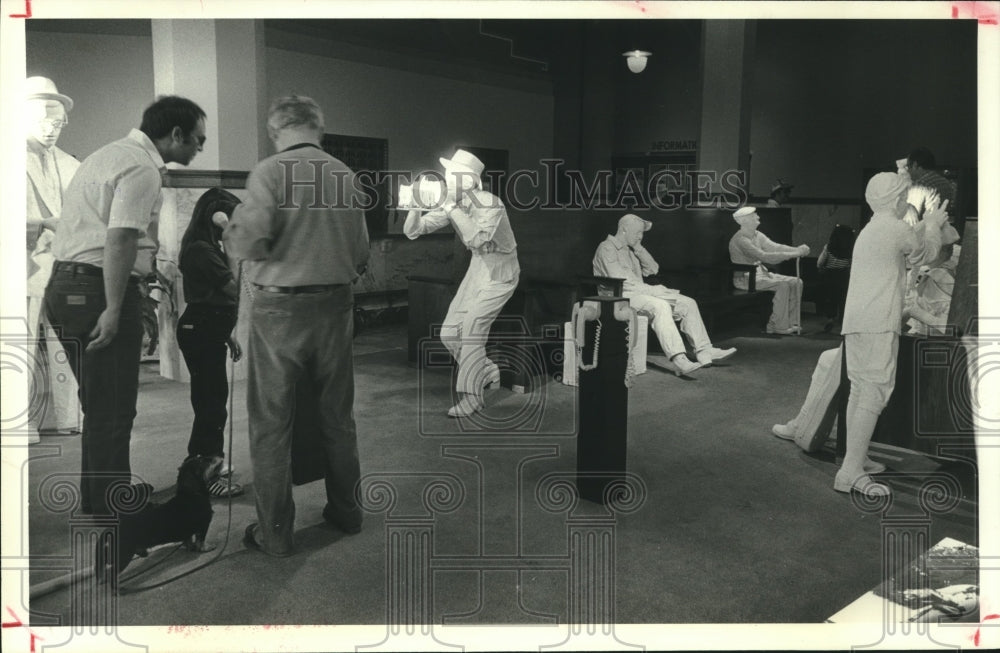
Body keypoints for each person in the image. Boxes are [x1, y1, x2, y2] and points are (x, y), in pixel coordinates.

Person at [44, 95, 207, 515]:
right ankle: (116, 514)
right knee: (114, 409)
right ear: (175, 134)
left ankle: (99, 502)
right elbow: (120, 237)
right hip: (98, 289)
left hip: (64, 286)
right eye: (197, 140)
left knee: (99, 406)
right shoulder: (140, 166)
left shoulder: (105, 154)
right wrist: (114, 308)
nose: (199, 149)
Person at [224, 95, 370, 556]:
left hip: (280, 309)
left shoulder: (269, 172)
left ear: (275, 130)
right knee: (337, 415)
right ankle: (347, 512)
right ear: (318, 129)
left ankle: (276, 535)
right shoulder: (346, 177)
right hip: (336, 305)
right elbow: (362, 252)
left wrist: (231, 228)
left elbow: (250, 241)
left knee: (271, 422)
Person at [772, 219, 959, 450]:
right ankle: (807, 425)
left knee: (836, 360)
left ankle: (809, 427)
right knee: (836, 356)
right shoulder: (921, 272)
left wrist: (915, 312)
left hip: (927, 355)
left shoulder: (944, 280)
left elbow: (953, 329)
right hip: (909, 343)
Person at [834, 172, 947, 498]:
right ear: (896, 200)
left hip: (857, 320)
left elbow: (911, 245)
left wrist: (924, 224)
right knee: (874, 392)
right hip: (878, 320)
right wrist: (934, 223)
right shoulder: (895, 228)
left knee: (860, 390)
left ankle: (856, 458)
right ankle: (851, 472)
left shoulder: (872, 229)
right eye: (904, 197)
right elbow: (925, 253)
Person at [404, 149, 519, 417]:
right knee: (448, 334)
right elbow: (413, 231)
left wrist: (448, 206)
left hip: (501, 273)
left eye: (449, 177)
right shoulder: (456, 204)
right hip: (479, 269)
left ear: (466, 181)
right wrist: (413, 205)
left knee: (471, 329)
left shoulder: (491, 203)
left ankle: (472, 397)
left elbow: (476, 239)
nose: (444, 182)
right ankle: (487, 370)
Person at [592, 214, 736, 376]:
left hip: (639, 294)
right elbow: (621, 281)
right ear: (624, 229)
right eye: (638, 232)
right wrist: (654, 290)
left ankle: (704, 351)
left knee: (688, 303)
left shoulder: (631, 251)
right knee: (660, 305)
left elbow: (653, 269)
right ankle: (678, 358)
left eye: (642, 233)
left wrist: (639, 249)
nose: (641, 236)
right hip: (618, 297)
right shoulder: (607, 247)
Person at [176, 188, 245, 498]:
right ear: (217, 218)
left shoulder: (202, 246)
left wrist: (227, 334)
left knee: (210, 401)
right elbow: (234, 291)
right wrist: (232, 247)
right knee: (212, 405)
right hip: (201, 329)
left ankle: (201, 462)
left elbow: (211, 296)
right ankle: (208, 474)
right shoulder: (202, 250)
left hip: (207, 328)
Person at [25, 76, 81, 442]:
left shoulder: (68, 162)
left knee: (66, 341)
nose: (52, 129)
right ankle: (16, 418)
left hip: (62, 261)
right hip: (21, 263)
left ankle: (69, 414)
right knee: (19, 342)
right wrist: (41, 222)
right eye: (45, 120)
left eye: (58, 122)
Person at [728, 206, 810, 334]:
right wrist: (793, 254)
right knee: (783, 285)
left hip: (761, 274)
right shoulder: (741, 240)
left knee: (797, 282)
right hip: (745, 279)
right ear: (744, 221)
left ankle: (791, 322)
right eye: (754, 215)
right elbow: (764, 256)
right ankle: (776, 325)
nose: (758, 217)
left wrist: (797, 249)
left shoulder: (757, 234)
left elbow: (775, 247)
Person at [815, 224, 856, 333]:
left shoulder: (829, 247)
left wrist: (822, 267)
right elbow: (851, 265)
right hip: (843, 276)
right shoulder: (851, 249)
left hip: (830, 276)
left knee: (831, 299)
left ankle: (830, 319)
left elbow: (820, 262)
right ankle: (843, 323)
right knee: (843, 300)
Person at [904, 147, 956, 222]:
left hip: (925, 230)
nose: (908, 171)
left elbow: (911, 218)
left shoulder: (919, 185)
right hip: (942, 229)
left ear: (915, 165)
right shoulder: (945, 182)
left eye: (908, 167)